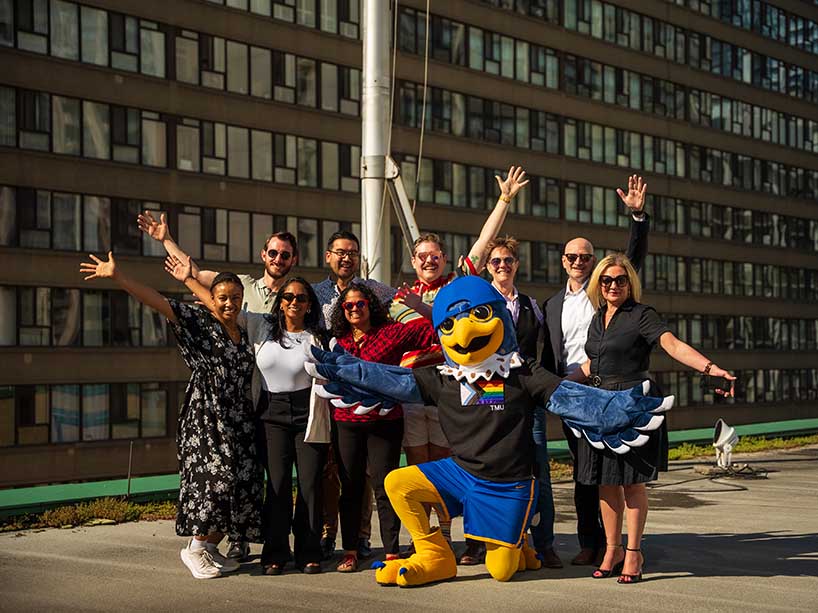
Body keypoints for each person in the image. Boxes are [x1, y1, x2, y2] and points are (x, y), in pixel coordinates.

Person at [79, 252, 263, 579]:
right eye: (223, 298)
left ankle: (209, 548)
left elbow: (224, 305)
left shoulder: (243, 330)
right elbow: (157, 300)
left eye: (236, 298)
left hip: (239, 419)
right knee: (215, 483)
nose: (230, 303)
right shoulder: (197, 321)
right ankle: (194, 548)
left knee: (242, 484)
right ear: (212, 299)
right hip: (206, 417)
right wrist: (119, 276)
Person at [138, 213, 299, 561]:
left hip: (265, 399)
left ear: (293, 260)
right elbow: (195, 275)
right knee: (228, 473)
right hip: (233, 395)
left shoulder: (294, 296)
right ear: (264, 254)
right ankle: (226, 542)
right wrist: (166, 239)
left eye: (285, 255)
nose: (278, 259)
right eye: (273, 253)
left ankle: (258, 539)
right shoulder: (242, 286)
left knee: (254, 476)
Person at [390, 166, 530, 563]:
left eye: (434, 256)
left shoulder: (460, 285)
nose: (428, 262)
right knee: (423, 469)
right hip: (417, 393)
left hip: (463, 389)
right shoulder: (397, 297)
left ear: (445, 259)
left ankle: (477, 540)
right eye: (421, 257)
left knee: (463, 460)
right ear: (414, 262)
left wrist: (503, 200)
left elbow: (484, 245)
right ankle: (439, 543)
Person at [568, 253, 735, 583]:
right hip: (599, 406)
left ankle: (634, 553)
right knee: (605, 484)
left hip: (632, 404)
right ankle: (612, 549)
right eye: (606, 280)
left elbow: (672, 345)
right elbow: (592, 365)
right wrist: (555, 388)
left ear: (630, 283)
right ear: (599, 285)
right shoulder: (597, 318)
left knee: (632, 483)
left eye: (620, 280)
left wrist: (710, 368)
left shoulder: (642, 315)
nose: (613, 285)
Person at [541, 174, 650, 566]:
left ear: (593, 260)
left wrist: (637, 218)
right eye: (571, 257)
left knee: (619, 475)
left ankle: (620, 546)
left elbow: (632, 262)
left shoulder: (606, 289)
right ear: (563, 261)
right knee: (586, 472)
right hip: (571, 395)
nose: (578, 262)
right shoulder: (551, 305)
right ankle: (593, 543)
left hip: (608, 391)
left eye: (585, 256)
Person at [329, 282, 438, 572]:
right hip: (346, 423)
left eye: (360, 304)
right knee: (351, 487)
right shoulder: (338, 341)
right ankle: (350, 550)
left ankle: (392, 551)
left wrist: (421, 307)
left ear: (370, 306)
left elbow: (433, 330)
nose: (354, 309)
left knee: (385, 485)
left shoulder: (390, 333)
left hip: (385, 422)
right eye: (348, 305)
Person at [313, 230, 393, 560]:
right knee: (332, 468)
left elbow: (401, 311)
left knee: (367, 472)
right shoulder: (314, 293)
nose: (347, 257)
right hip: (326, 390)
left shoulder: (375, 291)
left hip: (369, 392)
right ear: (328, 256)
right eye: (340, 252)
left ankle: (361, 534)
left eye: (353, 252)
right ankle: (328, 531)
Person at [483, 235, 561, 569]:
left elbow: (543, 349)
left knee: (539, 468)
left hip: (528, 397)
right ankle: (494, 541)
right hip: (490, 394)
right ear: (488, 266)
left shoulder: (532, 305)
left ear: (517, 264)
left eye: (508, 260)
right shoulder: (480, 300)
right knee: (492, 468)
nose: (503, 266)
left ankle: (544, 543)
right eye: (496, 261)